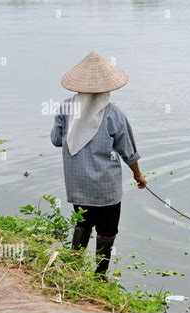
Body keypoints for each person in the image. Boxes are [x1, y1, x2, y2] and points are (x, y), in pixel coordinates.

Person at [51, 52, 147, 279]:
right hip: (107, 189)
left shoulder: (65, 109)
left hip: (78, 187)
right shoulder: (114, 114)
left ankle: (73, 269)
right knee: (107, 230)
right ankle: (100, 274)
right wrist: (138, 176)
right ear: (106, 89)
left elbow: (57, 140)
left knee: (82, 223)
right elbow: (128, 151)